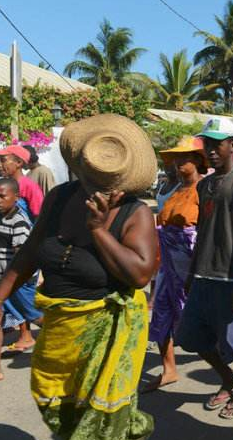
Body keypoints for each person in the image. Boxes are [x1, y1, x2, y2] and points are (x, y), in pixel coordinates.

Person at [0, 114, 158, 438]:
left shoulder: (135, 212)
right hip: (59, 330)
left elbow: (140, 275)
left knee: (99, 427)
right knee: (65, 415)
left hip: (106, 337)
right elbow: (30, 251)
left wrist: (99, 231)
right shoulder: (60, 197)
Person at [176, 117, 233, 419]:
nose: (211, 150)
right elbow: (203, 229)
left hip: (230, 276)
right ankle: (228, 379)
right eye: (207, 144)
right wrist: (191, 272)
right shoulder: (206, 184)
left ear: (232, 145)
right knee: (190, 336)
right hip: (203, 273)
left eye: (217, 144)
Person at [143, 136, 206, 393]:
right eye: (176, 160)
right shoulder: (175, 190)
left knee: (196, 323)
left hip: (191, 268)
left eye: (184, 161)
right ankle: (169, 369)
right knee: (161, 316)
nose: (178, 165)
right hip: (168, 268)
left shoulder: (204, 190)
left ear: (197, 162)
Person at [0, 178, 39, 380]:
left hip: (18, 281)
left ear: (16, 197)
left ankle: (69, 338)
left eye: (2, 196)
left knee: (36, 315)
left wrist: (13, 282)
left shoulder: (19, 221)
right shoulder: (2, 216)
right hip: (3, 280)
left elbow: (22, 257)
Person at [0, 145, 44, 220]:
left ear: (19, 163)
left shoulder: (30, 187)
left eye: (3, 160)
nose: (0, 165)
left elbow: (39, 216)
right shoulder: (3, 184)